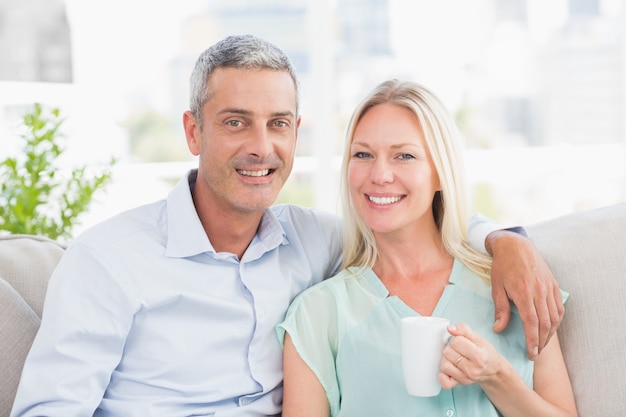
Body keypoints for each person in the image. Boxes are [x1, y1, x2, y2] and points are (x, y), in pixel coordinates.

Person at [11, 35, 562, 417]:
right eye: (235, 123)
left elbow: (404, 212)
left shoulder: (314, 240)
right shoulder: (109, 261)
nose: (260, 147)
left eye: (278, 124)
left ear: (296, 133)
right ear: (193, 132)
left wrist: (505, 240)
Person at [278, 79, 577, 416]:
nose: (380, 174)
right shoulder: (317, 315)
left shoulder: (516, 286)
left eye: (404, 155)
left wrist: (498, 379)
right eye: (362, 154)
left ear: (439, 174)